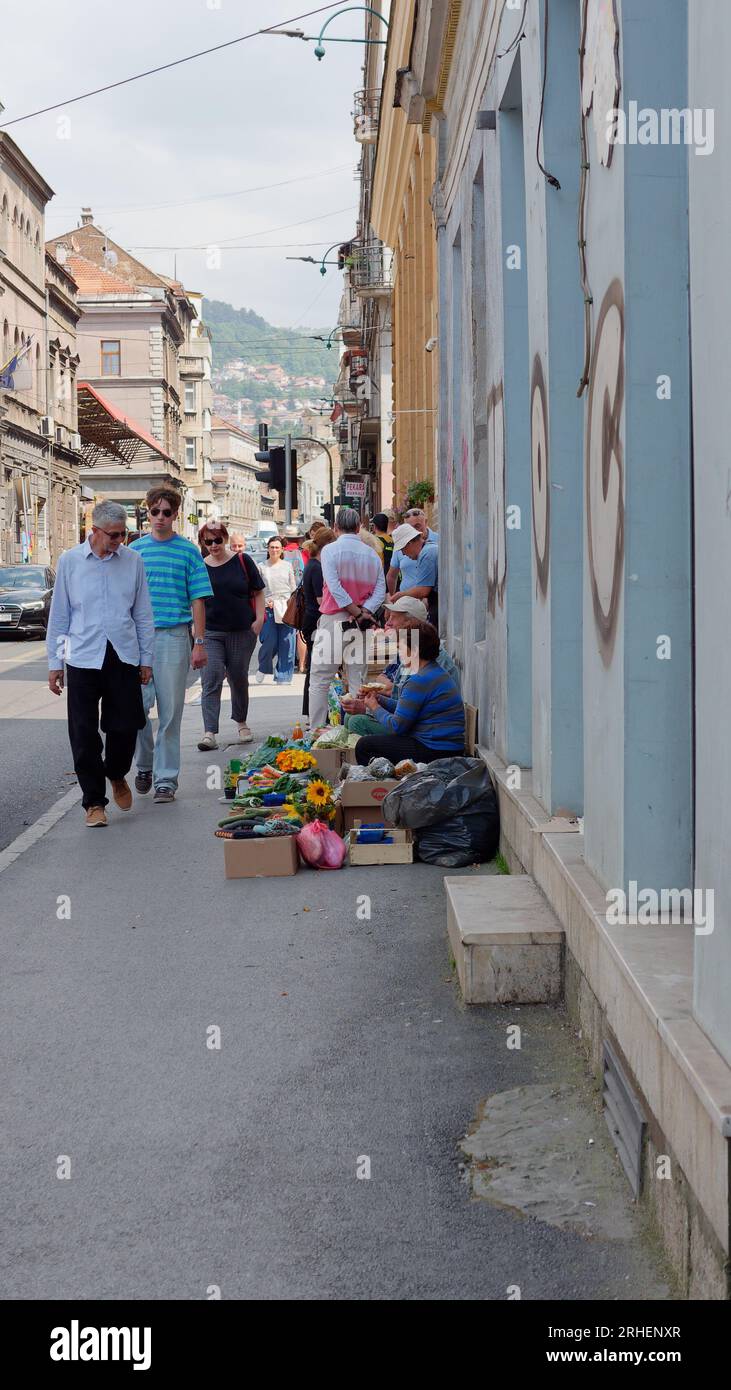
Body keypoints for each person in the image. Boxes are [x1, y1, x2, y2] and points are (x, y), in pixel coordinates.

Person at [46, 500, 155, 829]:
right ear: (93, 531)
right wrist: (55, 663)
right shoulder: (70, 562)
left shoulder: (133, 561)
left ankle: (117, 772)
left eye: (123, 535)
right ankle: (94, 802)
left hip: (122, 653)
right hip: (82, 655)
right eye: (113, 535)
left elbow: (143, 614)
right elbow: (60, 615)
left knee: (127, 725)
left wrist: (146, 659)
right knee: (82, 732)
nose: (119, 541)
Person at [130, 486, 213, 804]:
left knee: (170, 713)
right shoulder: (135, 551)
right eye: (155, 511)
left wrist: (199, 643)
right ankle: (145, 765)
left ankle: (166, 779)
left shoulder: (189, 551)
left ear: (176, 514)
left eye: (167, 512)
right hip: (139, 639)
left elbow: (198, 600)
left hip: (174, 638)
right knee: (137, 710)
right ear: (147, 512)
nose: (160, 517)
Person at [309, 505, 386, 731]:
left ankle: (316, 731)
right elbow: (380, 591)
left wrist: (355, 612)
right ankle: (354, 730)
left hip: (334, 620)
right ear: (359, 527)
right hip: (362, 624)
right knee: (357, 679)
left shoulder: (329, 552)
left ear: (335, 527)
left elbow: (335, 588)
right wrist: (364, 612)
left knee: (320, 680)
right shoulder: (372, 554)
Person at [342, 595, 460, 736]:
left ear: (410, 623)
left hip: (425, 730)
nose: (388, 623)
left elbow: (405, 716)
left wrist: (372, 707)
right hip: (410, 721)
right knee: (351, 717)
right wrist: (377, 699)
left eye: (394, 617)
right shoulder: (409, 650)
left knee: (357, 722)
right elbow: (396, 693)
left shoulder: (428, 658)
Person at [196, 522, 266, 751]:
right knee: (212, 677)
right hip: (211, 632)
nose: (214, 545)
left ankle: (241, 723)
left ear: (225, 539)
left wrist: (259, 619)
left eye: (217, 540)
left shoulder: (242, 561)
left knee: (238, 677)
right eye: (208, 541)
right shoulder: (200, 566)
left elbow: (258, 592)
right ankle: (209, 731)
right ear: (203, 543)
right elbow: (195, 601)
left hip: (241, 630)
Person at [355, 622, 465, 765]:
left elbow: (397, 726)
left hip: (436, 750)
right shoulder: (433, 672)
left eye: (401, 647)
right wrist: (379, 699)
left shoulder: (419, 681)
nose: (399, 652)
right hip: (445, 747)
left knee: (365, 746)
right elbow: (405, 710)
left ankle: (382, 785)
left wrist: (374, 707)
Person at [301, 525, 335, 720]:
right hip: (315, 621)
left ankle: (311, 712)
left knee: (316, 668)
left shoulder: (313, 565)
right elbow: (323, 600)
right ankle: (311, 713)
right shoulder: (317, 567)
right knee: (317, 670)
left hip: (312, 619)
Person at [256, 535, 297, 684]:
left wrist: (291, 603)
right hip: (269, 607)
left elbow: (293, 588)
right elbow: (257, 590)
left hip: (286, 607)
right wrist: (267, 602)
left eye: (277, 547)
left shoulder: (287, 566)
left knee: (287, 642)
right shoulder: (261, 567)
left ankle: (284, 675)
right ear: (268, 549)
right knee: (269, 641)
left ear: (282, 550)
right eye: (272, 547)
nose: (274, 550)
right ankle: (263, 667)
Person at [387, 521, 439, 625]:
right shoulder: (429, 549)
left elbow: (423, 590)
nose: (402, 554)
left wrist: (400, 595)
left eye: (402, 549)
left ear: (409, 543)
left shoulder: (426, 554)